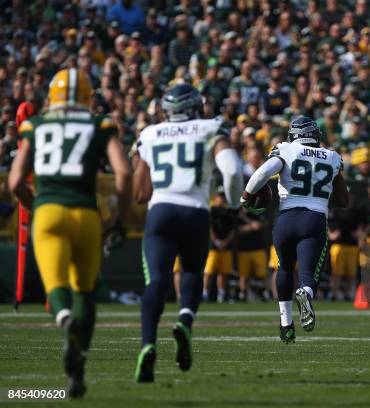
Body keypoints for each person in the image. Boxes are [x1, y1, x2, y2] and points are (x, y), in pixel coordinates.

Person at [8, 68, 132, 398]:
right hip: (86, 213)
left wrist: (37, 207)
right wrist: (119, 218)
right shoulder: (99, 125)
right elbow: (123, 172)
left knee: (57, 286)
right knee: (85, 291)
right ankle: (79, 366)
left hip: (48, 210)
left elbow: (15, 182)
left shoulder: (35, 125)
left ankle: (65, 322)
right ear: (87, 97)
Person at [132, 84, 242, 382]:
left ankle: (148, 345)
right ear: (195, 105)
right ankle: (184, 320)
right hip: (195, 210)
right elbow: (232, 170)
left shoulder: (150, 133)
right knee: (192, 271)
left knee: (156, 280)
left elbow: (140, 193)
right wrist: (232, 209)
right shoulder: (211, 127)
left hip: (162, 211)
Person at [241, 116, 348, 343]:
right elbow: (344, 200)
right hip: (314, 218)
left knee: (284, 268)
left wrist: (246, 197)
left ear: (293, 135)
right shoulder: (332, 156)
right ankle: (306, 293)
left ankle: (285, 324)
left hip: (286, 218)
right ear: (316, 136)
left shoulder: (285, 149)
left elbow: (262, 172)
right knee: (309, 274)